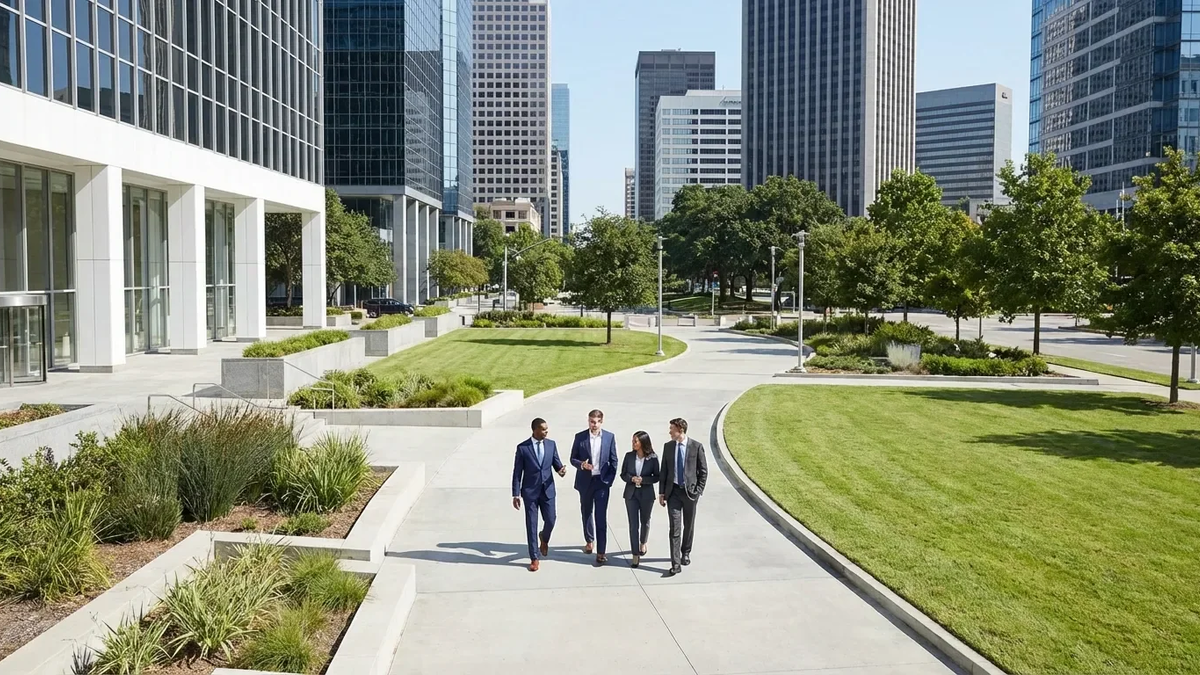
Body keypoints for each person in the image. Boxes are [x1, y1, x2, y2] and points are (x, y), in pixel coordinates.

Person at [512, 417, 566, 572]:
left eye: (547, 428)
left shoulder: (551, 444)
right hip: (530, 493)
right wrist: (516, 494)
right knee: (531, 525)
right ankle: (534, 558)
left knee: (551, 519)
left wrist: (561, 471)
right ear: (535, 430)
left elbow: (557, 464)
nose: (546, 431)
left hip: (548, 490)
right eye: (543, 429)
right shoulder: (523, 448)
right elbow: (517, 473)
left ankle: (545, 538)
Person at [658, 417, 707, 576]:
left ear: (681, 430)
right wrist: (662, 492)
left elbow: (703, 471)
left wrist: (698, 490)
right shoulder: (668, 447)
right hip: (673, 493)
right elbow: (663, 470)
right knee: (674, 528)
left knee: (689, 525)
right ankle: (676, 563)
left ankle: (686, 551)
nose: (669, 432)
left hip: (690, 493)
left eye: (672, 429)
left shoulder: (696, 447)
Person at [570, 409, 619, 564]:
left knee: (601, 516)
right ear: (588, 421)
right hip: (585, 481)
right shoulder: (580, 437)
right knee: (586, 511)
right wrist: (581, 465)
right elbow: (572, 458)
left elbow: (614, 460)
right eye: (592, 421)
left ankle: (601, 552)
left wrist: (609, 481)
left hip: (601, 482)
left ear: (601, 422)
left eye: (597, 422)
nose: (594, 424)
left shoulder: (609, 437)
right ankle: (589, 540)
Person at [620, 430, 660, 568]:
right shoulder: (629, 456)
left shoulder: (653, 458)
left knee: (645, 521)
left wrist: (643, 480)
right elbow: (623, 474)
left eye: (635, 441)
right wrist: (631, 478)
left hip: (647, 495)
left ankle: (643, 542)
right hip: (631, 494)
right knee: (633, 525)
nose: (633, 443)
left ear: (643, 443)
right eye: (633, 441)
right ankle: (635, 554)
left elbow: (656, 477)